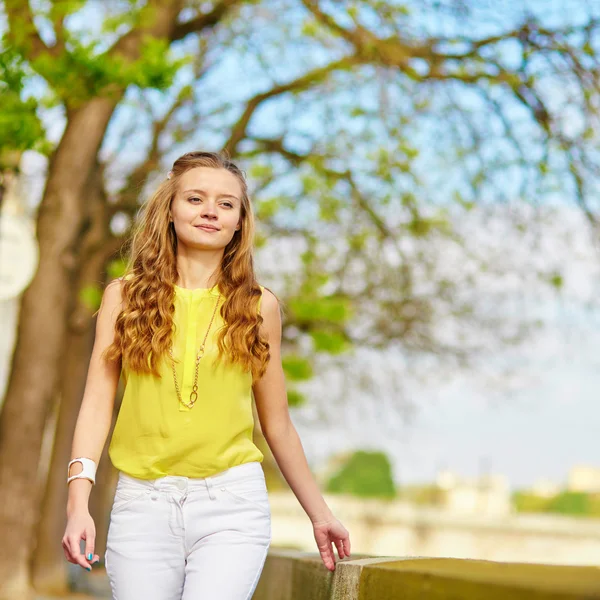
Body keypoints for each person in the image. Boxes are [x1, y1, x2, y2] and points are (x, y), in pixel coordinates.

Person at [61, 151, 351, 599]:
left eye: (226, 203)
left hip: (231, 504)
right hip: (142, 504)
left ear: (239, 222)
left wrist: (320, 515)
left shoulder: (259, 307)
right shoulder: (124, 298)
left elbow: (277, 424)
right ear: (171, 210)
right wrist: (77, 502)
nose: (211, 210)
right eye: (196, 198)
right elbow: (96, 406)